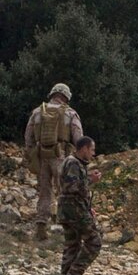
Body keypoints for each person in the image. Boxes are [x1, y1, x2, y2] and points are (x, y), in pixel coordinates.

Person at [25, 83, 84, 240]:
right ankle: (69, 228)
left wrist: (31, 154)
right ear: (66, 97)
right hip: (60, 156)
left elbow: (28, 136)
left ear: (52, 94)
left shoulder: (37, 112)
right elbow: (78, 138)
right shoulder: (70, 113)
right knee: (65, 191)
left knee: (44, 191)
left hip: (41, 155)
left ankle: (41, 227)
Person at [56, 136, 101, 275]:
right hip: (73, 210)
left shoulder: (74, 163)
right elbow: (72, 186)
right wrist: (91, 179)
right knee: (94, 241)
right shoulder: (73, 163)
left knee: (72, 246)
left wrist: (88, 207)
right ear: (84, 149)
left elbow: (76, 189)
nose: (93, 153)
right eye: (92, 150)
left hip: (70, 209)